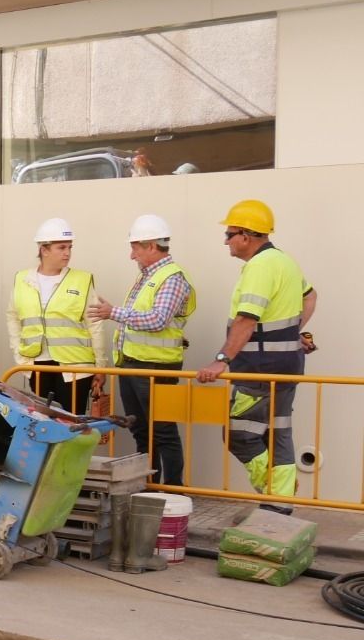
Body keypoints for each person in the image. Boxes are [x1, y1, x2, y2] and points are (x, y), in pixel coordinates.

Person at [195, 200, 317, 511]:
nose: (226, 241)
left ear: (246, 236)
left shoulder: (260, 267)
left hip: (259, 369)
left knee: (237, 433)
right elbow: (310, 296)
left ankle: (274, 494)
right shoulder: (284, 261)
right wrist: (290, 333)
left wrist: (221, 359)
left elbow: (246, 320)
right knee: (277, 433)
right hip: (287, 364)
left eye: (229, 234)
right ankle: (280, 506)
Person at [86, 215, 194, 487]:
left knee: (163, 430)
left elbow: (158, 319)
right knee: (141, 430)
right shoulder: (148, 276)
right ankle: (149, 485)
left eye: (135, 247)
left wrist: (114, 313)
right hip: (134, 366)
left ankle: (172, 490)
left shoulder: (171, 278)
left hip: (156, 369)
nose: (131, 254)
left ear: (151, 246)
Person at [6, 218, 107, 414]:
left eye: (70, 247)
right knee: (42, 423)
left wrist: (100, 366)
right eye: (61, 247)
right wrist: (18, 353)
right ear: (44, 249)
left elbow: (95, 325)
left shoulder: (82, 280)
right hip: (38, 365)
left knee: (71, 425)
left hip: (76, 369)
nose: (67, 253)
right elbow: (13, 317)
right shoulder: (22, 279)